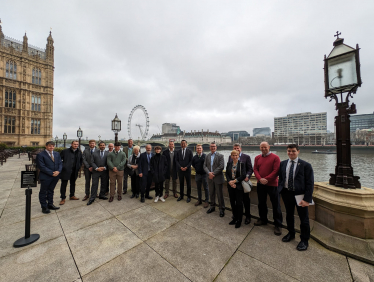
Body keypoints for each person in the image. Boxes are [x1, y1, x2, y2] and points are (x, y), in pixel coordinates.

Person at [278, 144, 314, 251]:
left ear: (298, 151)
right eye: (289, 151)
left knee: (304, 218)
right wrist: (279, 190)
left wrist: (307, 199)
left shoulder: (305, 165)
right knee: (289, 215)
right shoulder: (283, 163)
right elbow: (281, 178)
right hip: (286, 193)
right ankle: (291, 233)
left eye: (293, 151)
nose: (291, 153)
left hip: (300, 195)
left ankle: (304, 240)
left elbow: (310, 183)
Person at [253, 142, 282, 236]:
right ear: (259, 148)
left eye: (265, 147)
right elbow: (255, 169)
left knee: (275, 204)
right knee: (261, 203)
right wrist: (260, 179)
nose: (263, 149)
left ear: (269, 147)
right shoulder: (257, 158)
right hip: (260, 183)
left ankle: (278, 224)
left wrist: (266, 179)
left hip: (272, 184)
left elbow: (276, 171)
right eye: (261, 147)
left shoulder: (275, 157)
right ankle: (263, 219)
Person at [228, 143, 253, 224]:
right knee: (235, 201)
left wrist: (247, 176)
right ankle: (237, 216)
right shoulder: (230, 157)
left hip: (243, 182)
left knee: (245, 201)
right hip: (234, 184)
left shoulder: (246, 157)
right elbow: (229, 171)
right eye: (235, 148)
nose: (236, 149)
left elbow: (250, 169)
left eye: (237, 148)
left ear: (240, 149)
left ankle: (247, 216)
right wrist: (231, 182)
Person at [36, 141, 62, 214]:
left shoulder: (57, 154)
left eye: (53, 146)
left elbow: (60, 163)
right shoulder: (40, 155)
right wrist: (51, 173)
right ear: (46, 146)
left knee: (51, 190)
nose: (52, 147)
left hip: (55, 176)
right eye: (50, 146)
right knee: (43, 192)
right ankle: (44, 207)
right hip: (46, 176)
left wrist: (58, 171)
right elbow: (41, 166)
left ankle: (50, 204)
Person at [226, 150, 247, 228]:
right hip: (231, 186)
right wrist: (230, 182)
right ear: (231, 156)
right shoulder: (229, 164)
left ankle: (239, 220)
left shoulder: (242, 164)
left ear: (238, 156)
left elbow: (243, 175)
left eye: (236, 155)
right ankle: (234, 218)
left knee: (239, 203)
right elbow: (227, 174)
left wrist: (234, 181)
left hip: (238, 187)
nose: (234, 157)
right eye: (233, 155)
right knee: (232, 202)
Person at [203, 142, 225, 217]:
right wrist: (209, 173)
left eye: (214, 146)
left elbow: (221, 166)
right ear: (209, 147)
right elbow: (204, 166)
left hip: (218, 177)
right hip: (210, 178)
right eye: (211, 146)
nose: (213, 148)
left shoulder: (220, 156)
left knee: (220, 194)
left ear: (216, 147)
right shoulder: (207, 156)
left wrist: (213, 174)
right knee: (211, 193)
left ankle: (221, 209)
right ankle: (212, 206)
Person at [59, 140, 83, 205]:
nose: (76, 145)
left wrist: (78, 166)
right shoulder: (65, 151)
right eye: (74, 144)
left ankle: (72, 195)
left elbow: (81, 160)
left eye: (77, 144)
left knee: (73, 183)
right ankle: (63, 198)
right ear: (71, 144)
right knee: (64, 184)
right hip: (65, 170)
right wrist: (64, 166)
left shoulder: (79, 152)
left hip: (74, 170)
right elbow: (59, 160)